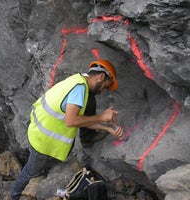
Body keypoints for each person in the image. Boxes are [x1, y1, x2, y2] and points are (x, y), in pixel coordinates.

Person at [10, 59, 124, 200]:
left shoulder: (78, 80)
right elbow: (72, 121)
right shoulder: (79, 90)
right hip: (41, 141)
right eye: (104, 87)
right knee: (30, 172)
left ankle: (45, 180)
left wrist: (107, 128)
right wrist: (101, 117)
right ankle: (13, 196)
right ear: (100, 77)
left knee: (37, 168)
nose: (102, 91)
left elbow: (81, 121)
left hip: (40, 131)